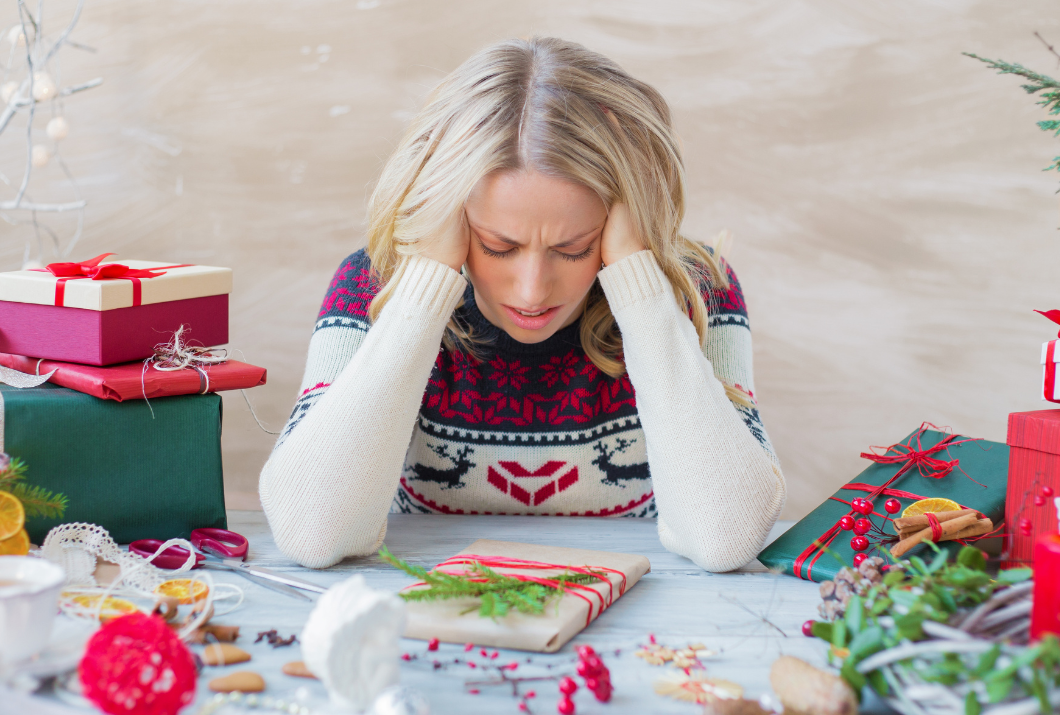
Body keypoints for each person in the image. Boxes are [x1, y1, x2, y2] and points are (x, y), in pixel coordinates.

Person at [260, 36, 784, 572]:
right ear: (454, 217)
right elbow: (312, 529)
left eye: (573, 249)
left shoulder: (698, 289)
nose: (533, 291)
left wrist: (638, 279)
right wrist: (425, 285)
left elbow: (726, 535)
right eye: (498, 247)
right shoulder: (373, 286)